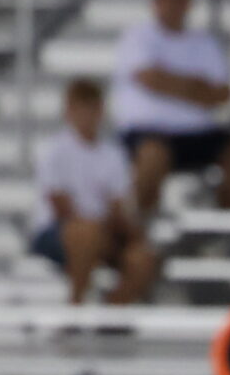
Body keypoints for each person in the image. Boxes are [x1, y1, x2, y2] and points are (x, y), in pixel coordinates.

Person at [113, 0, 230, 214]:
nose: (173, 6)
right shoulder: (138, 37)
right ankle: (141, 220)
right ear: (155, 3)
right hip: (148, 132)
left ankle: (228, 219)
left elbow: (222, 94)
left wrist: (170, 82)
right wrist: (197, 87)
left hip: (197, 132)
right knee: (152, 155)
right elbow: (150, 79)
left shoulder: (205, 42)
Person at [29, 79, 156, 304]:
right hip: (56, 232)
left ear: (100, 111)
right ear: (69, 112)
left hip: (100, 232)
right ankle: (76, 306)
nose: (86, 116)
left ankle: (112, 312)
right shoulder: (53, 150)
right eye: (80, 109)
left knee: (142, 257)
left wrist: (127, 234)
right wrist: (100, 231)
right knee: (86, 234)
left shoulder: (113, 155)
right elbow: (60, 207)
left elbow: (118, 207)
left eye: (91, 109)